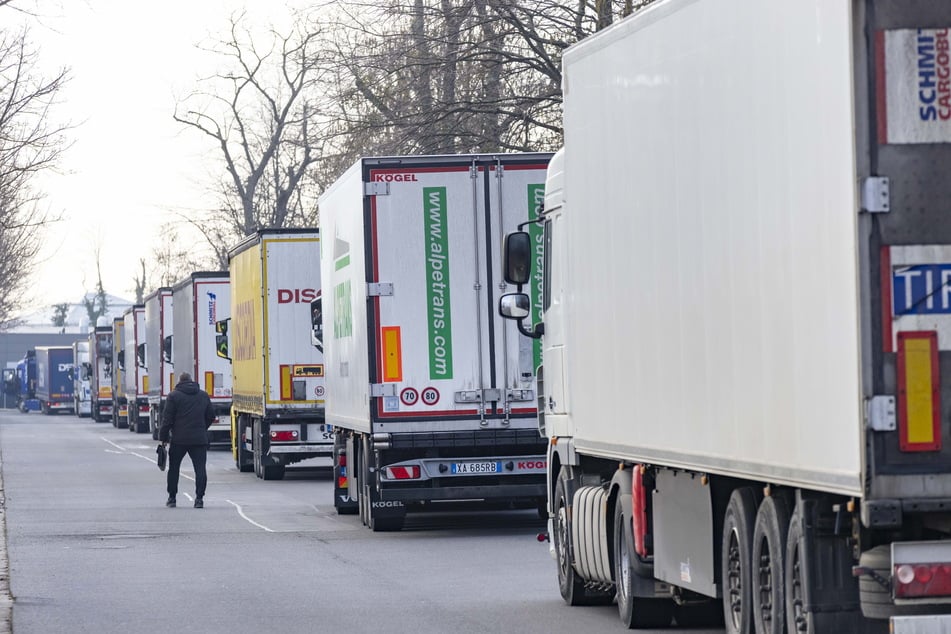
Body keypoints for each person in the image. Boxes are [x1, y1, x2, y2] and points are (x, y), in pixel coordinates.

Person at [160, 372, 215, 508]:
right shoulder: (203, 395)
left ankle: (172, 498)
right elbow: (211, 416)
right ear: (191, 381)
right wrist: (202, 428)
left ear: (179, 382)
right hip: (199, 440)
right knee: (200, 469)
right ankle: (199, 499)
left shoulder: (173, 396)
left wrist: (163, 438)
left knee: (174, 469)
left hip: (179, 439)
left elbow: (167, 419)